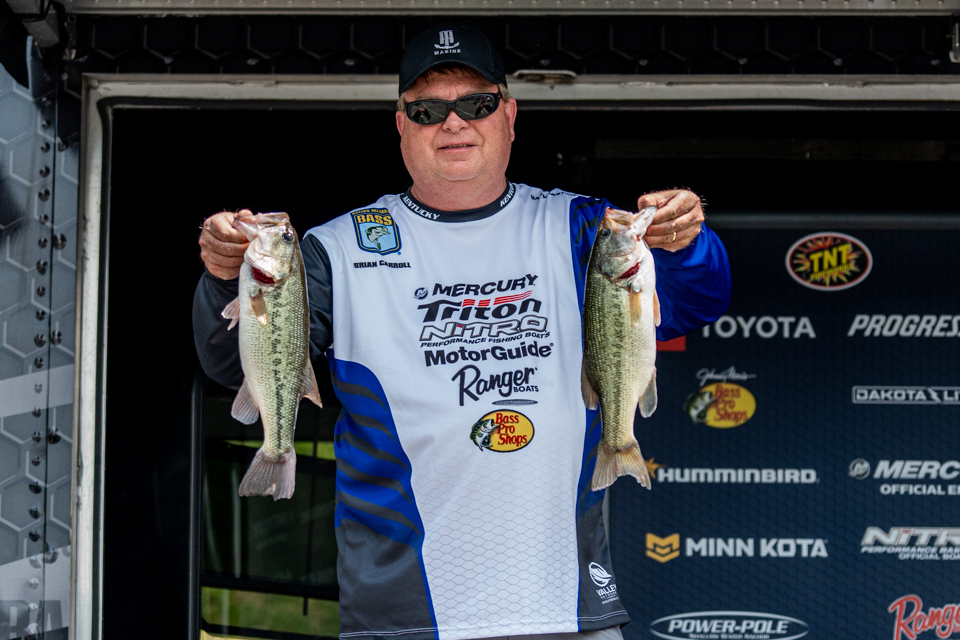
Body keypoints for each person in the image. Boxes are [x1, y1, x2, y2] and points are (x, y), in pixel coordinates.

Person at [194, 22, 731, 640]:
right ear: (402, 125)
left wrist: (685, 242)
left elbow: (697, 301)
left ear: (509, 116)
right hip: (405, 615)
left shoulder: (581, 226)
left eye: (476, 104)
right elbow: (231, 364)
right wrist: (223, 279)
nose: (453, 123)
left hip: (566, 605)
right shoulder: (334, 248)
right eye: (428, 110)